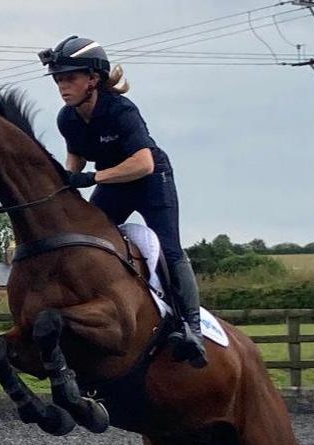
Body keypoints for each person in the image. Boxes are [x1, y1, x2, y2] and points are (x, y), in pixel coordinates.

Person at [39, 35, 206, 367]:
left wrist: (93, 178)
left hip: (150, 180)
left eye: (70, 77)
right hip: (115, 183)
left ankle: (193, 328)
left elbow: (142, 163)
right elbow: (76, 158)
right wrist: (65, 188)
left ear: (93, 79)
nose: (62, 86)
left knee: (168, 248)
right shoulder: (67, 118)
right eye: (59, 79)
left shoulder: (120, 110)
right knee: (87, 239)